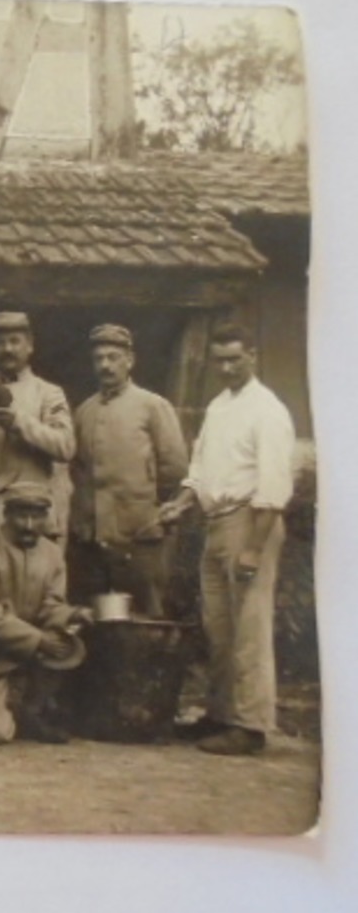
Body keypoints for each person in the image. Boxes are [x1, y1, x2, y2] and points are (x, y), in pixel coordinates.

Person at [158, 323, 295, 757]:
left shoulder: (268, 410)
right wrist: (182, 502)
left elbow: (273, 487)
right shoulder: (219, 406)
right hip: (217, 523)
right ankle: (220, 714)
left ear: (252, 356)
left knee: (249, 628)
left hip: (251, 522)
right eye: (220, 360)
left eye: (235, 359)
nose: (227, 367)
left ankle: (251, 725)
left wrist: (254, 547)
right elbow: (201, 472)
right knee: (219, 627)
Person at [69, 324, 189, 616]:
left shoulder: (152, 406)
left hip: (140, 534)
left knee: (147, 613)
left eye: (113, 357)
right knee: (97, 613)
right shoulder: (84, 411)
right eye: (99, 359)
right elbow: (78, 470)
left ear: (129, 361)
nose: (105, 365)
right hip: (94, 536)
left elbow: (174, 467)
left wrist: (151, 510)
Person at [0, 482, 93, 745]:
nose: (29, 524)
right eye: (20, 515)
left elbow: (51, 606)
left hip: (34, 652)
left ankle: (33, 707)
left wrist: (73, 615)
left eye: (37, 516)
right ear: (5, 514)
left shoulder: (51, 553)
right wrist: (38, 640)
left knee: (71, 641)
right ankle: (9, 706)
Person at [0, 311, 75, 532]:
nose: (7, 349)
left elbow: (65, 447)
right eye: (0, 343)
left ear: (30, 346)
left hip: (30, 517)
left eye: (15, 342)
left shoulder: (48, 393)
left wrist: (18, 422)